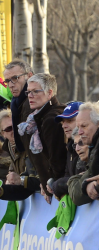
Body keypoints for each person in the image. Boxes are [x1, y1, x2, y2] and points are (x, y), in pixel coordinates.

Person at [18, 73, 67, 203]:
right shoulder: (37, 118)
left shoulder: (51, 119)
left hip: (59, 191)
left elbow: (57, 160)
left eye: (35, 91)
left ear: (49, 93)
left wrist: (49, 183)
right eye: (28, 92)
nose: (30, 96)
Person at [48, 102, 82, 200]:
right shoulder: (70, 147)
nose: (64, 126)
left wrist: (57, 185)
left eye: (70, 120)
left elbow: (79, 181)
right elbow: (69, 176)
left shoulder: (88, 146)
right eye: (63, 122)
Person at [68, 102, 99, 205]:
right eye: (78, 127)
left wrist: (82, 181)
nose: (80, 132)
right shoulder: (94, 147)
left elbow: (78, 197)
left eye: (84, 126)